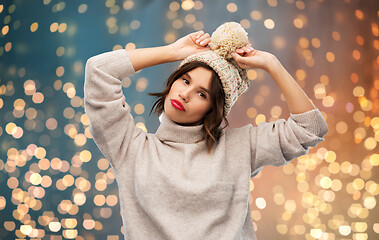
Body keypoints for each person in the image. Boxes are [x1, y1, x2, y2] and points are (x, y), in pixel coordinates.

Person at [84, 22, 328, 240]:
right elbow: (98, 71)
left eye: (202, 94)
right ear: (173, 81)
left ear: (214, 109)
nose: (185, 94)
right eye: (185, 80)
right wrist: (173, 52)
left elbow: (309, 128)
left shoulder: (239, 147)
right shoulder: (131, 148)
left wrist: (271, 63)